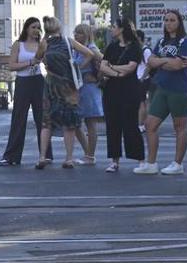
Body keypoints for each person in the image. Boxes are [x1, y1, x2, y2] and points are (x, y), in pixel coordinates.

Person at [136, 10, 187, 176]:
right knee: (150, 125)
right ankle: (151, 163)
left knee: (179, 127)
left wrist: (160, 62)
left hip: (179, 89)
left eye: (172, 20)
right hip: (162, 88)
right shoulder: (161, 41)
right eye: (166, 20)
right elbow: (150, 61)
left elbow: (178, 65)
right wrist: (165, 62)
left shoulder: (185, 41)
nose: (168, 23)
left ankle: (177, 163)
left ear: (179, 22)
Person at [1, 17, 51, 168]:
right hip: (23, 82)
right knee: (18, 118)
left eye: (38, 27)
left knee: (42, 118)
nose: (36, 30)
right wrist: (29, 62)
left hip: (38, 81)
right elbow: (11, 65)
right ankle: (12, 156)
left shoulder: (42, 44)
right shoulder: (19, 44)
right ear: (27, 29)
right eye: (33, 27)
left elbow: (48, 63)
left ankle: (46, 154)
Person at [98, 17, 146, 173]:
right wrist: (117, 73)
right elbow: (102, 67)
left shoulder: (134, 47)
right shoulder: (111, 47)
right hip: (112, 90)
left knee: (130, 124)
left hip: (129, 90)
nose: (111, 29)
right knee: (113, 125)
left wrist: (112, 67)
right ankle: (114, 161)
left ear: (122, 29)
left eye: (114, 26)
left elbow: (131, 68)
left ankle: (140, 159)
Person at [42, 16, 86, 169]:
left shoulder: (44, 44)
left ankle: (42, 157)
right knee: (69, 123)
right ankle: (68, 158)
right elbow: (90, 54)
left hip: (50, 85)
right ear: (59, 27)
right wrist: (77, 66)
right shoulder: (68, 42)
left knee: (46, 122)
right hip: (68, 86)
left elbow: (37, 59)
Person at [73, 22, 103, 166]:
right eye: (75, 33)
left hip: (89, 88)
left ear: (85, 34)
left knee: (90, 123)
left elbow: (103, 61)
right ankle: (88, 153)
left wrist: (97, 77)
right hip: (78, 88)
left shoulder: (91, 48)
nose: (75, 36)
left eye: (78, 33)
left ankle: (90, 155)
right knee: (76, 123)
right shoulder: (76, 50)